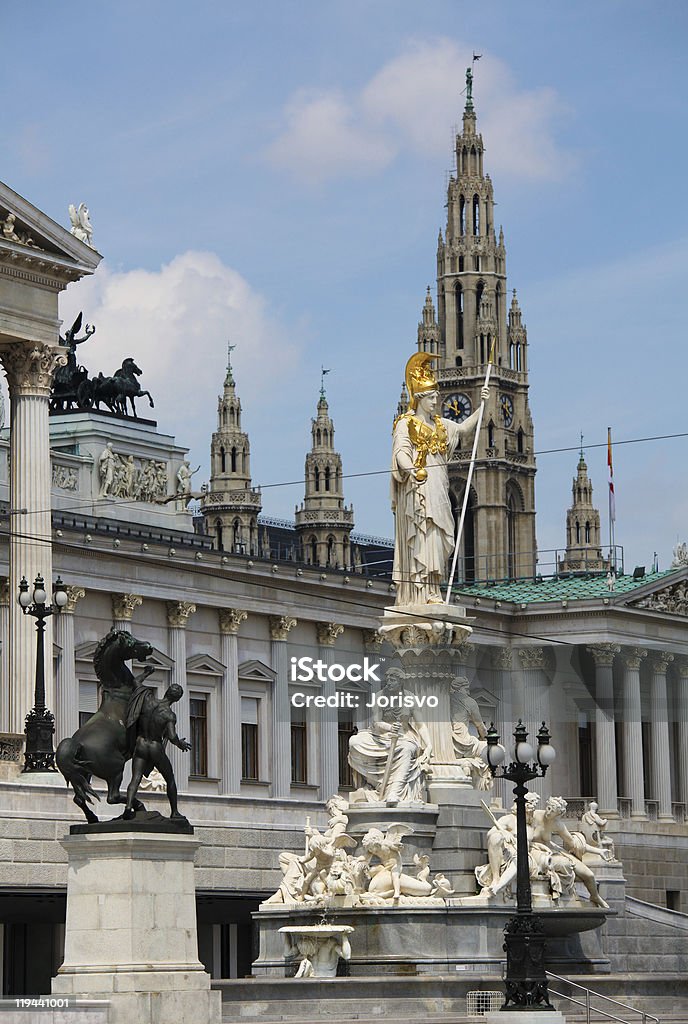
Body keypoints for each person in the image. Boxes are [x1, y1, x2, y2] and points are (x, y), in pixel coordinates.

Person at [391, 353, 489, 606]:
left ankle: (433, 585)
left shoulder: (441, 425)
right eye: (433, 396)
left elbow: (466, 428)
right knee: (423, 534)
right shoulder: (406, 424)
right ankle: (422, 591)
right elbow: (401, 451)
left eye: (437, 396)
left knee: (440, 535)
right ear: (421, 398)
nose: (437, 400)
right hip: (419, 488)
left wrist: (483, 407)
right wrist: (411, 469)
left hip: (439, 486)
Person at [348, 669, 432, 804]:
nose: (389, 683)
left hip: (403, 737)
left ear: (401, 682)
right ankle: (374, 783)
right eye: (388, 680)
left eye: (393, 680)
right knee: (354, 742)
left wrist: (429, 745)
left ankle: (394, 791)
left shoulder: (410, 699)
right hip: (379, 736)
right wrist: (389, 727)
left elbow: (421, 725)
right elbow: (376, 722)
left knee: (406, 749)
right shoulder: (380, 696)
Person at [123, 683, 191, 821]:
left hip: (140, 744)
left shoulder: (148, 701)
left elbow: (136, 687)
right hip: (155, 747)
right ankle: (174, 812)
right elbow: (172, 736)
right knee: (170, 779)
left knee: (136, 778)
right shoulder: (169, 715)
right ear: (177, 699)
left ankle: (128, 807)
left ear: (166, 692)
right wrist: (180, 744)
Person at [530, 796, 609, 908]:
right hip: (535, 852)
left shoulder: (557, 824)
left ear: (559, 814)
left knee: (589, 875)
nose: (549, 812)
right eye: (549, 808)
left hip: (553, 850)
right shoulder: (533, 815)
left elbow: (573, 843)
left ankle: (595, 896)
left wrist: (598, 851)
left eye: (553, 811)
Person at [449, 676, 491, 790]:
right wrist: (487, 738)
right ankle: (481, 786)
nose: (468, 691)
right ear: (462, 688)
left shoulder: (445, 699)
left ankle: (466, 764)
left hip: (447, 742)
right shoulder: (469, 702)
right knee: (490, 749)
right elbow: (480, 726)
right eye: (466, 688)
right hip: (464, 743)